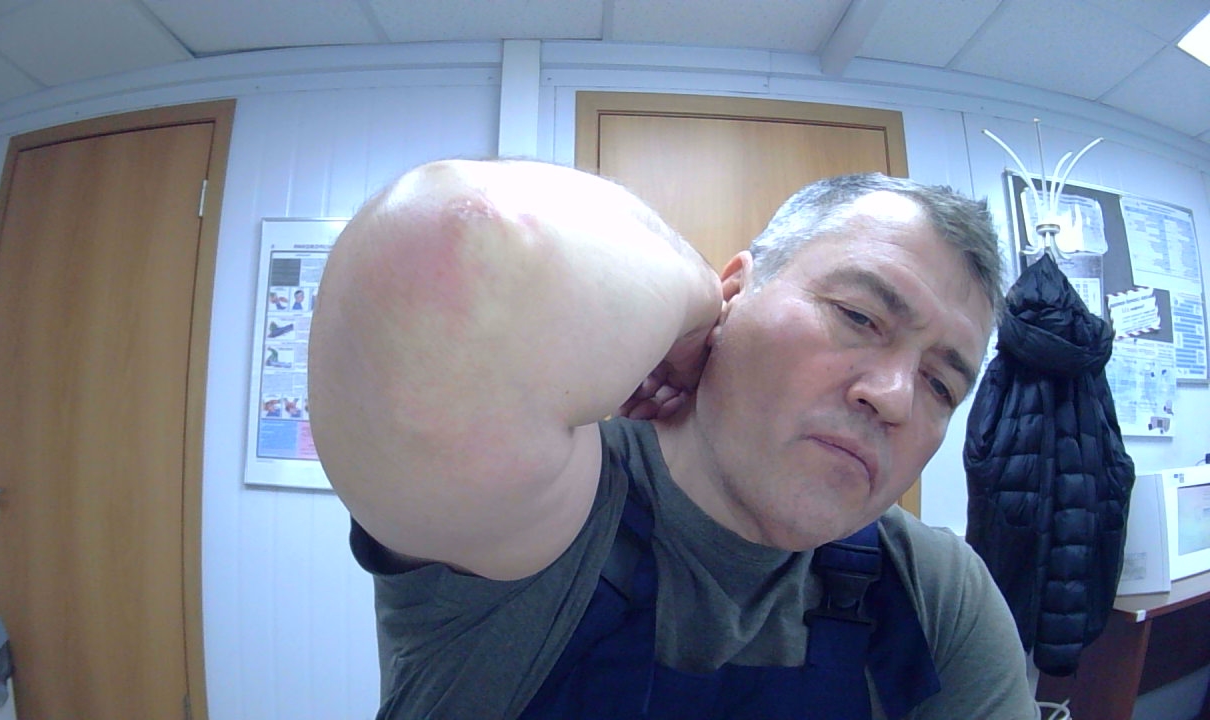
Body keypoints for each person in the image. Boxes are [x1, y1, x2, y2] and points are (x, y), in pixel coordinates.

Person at [308, 159, 1038, 719]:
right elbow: (448, 244)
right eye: (858, 316)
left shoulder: (935, 592)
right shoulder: (552, 507)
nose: (896, 397)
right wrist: (696, 308)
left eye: (941, 385)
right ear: (735, 294)